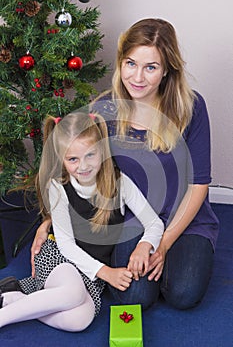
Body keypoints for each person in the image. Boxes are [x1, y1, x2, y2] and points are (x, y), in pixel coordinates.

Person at [25, 18, 219, 310]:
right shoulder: (103, 110)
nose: (137, 77)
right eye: (131, 64)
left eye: (150, 67)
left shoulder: (191, 108)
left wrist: (162, 244)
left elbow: (198, 185)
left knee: (184, 294)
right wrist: (50, 219)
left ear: (167, 71)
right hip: (130, 218)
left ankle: (175, 264)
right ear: (121, 64)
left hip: (183, 220)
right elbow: (77, 168)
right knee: (135, 297)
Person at [0, 112, 164, 331]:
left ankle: (15, 300)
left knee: (81, 320)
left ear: (102, 151)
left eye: (90, 155)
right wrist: (106, 272)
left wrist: (146, 245)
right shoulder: (57, 188)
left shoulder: (119, 182)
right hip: (61, 259)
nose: (83, 166)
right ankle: (5, 317)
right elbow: (66, 245)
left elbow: (154, 223)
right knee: (73, 293)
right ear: (62, 159)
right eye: (73, 159)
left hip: (90, 272)